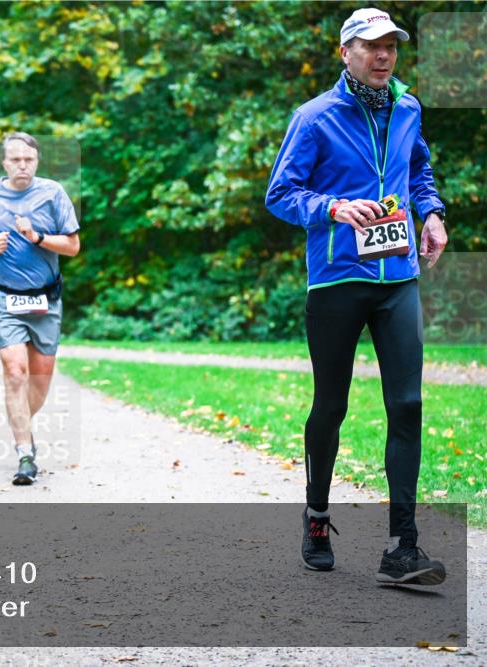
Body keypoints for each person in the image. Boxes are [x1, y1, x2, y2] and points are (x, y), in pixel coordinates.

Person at [266, 8, 448, 584]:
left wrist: (432, 212)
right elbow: (281, 193)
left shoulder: (408, 108)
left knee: (408, 405)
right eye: (371, 45)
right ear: (345, 52)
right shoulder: (314, 117)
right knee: (331, 406)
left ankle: (402, 547)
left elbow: (418, 171)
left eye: (391, 45)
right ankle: (317, 516)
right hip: (337, 278)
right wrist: (334, 208)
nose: (383, 55)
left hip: (397, 278)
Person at [0, 132, 80, 485]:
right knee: (15, 371)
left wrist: (37, 238)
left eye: (28, 159)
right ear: (4, 162)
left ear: (37, 161)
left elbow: (73, 246)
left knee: (39, 382)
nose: (22, 165)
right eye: (15, 159)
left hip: (45, 298)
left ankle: (21, 424)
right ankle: (25, 453)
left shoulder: (53, 193)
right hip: (3, 296)